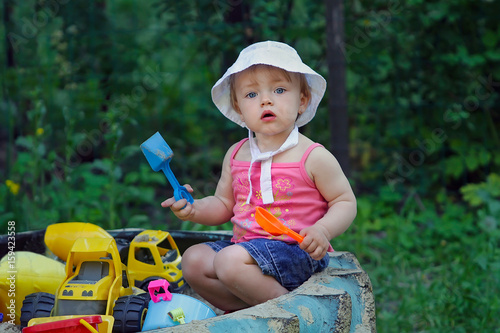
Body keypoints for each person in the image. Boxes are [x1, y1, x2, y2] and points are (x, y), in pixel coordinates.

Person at [161, 41, 357, 312]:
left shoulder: (312, 156)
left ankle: (297, 315)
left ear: (302, 100)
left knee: (228, 262)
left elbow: (344, 201)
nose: (266, 100)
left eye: (279, 90)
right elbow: (223, 204)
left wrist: (322, 230)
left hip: (297, 252)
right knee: (193, 260)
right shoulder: (237, 154)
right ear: (239, 107)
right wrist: (193, 210)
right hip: (246, 251)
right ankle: (252, 316)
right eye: (251, 95)